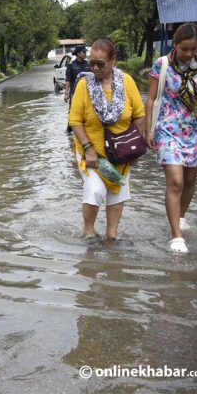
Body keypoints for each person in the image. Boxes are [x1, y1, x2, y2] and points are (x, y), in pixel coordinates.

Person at [145, 23, 197, 253]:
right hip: (168, 129)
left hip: (195, 131)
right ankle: (176, 235)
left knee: (189, 181)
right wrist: (148, 129)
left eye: (194, 49)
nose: (188, 54)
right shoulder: (162, 65)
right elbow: (151, 98)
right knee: (175, 181)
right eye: (184, 48)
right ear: (175, 45)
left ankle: (181, 216)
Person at [68, 38, 146, 242]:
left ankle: (112, 237)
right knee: (94, 190)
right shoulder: (84, 84)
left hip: (120, 152)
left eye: (100, 64)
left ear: (113, 62)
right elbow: (75, 121)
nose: (94, 68)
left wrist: (134, 147)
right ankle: (88, 233)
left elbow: (139, 115)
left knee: (117, 195)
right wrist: (88, 148)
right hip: (92, 151)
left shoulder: (127, 82)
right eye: (91, 63)